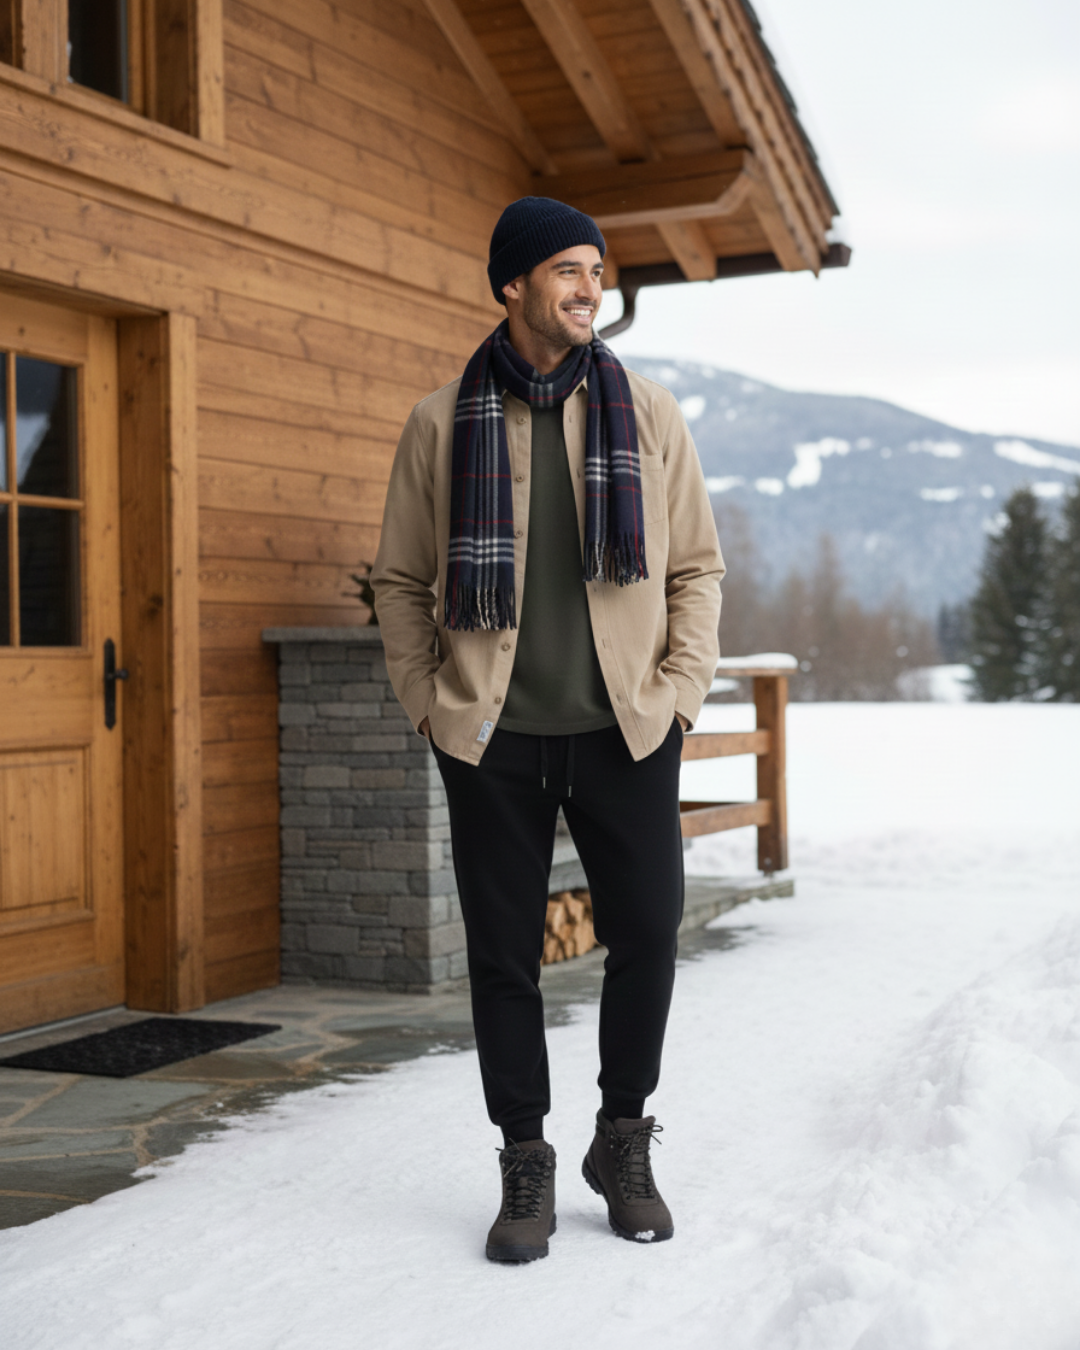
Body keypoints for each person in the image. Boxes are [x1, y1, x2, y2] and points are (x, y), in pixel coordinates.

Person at [371, 197, 724, 1263]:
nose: (589, 288)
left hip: (626, 731)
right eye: (567, 270)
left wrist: (680, 693)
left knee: (649, 933)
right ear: (512, 284)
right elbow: (399, 579)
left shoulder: (649, 413)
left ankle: (621, 1140)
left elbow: (696, 566)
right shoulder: (442, 422)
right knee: (502, 959)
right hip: (493, 741)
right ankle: (524, 1156)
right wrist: (428, 704)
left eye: (598, 271)